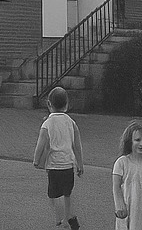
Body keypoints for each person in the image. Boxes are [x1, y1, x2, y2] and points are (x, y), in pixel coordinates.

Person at [32, 86, 84, 230]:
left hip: (53, 166)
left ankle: (62, 221)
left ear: (49, 104)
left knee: (54, 195)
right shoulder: (71, 123)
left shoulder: (47, 124)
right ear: (67, 104)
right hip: (68, 165)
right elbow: (77, 145)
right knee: (67, 193)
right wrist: (80, 164)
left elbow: (41, 144)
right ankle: (69, 216)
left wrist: (36, 160)